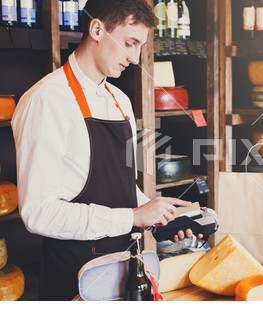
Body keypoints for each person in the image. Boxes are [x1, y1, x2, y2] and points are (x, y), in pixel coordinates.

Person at [11, 0, 200, 301]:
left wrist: (157, 214)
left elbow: (121, 186)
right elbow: (38, 213)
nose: (135, 58)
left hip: (125, 270)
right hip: (75, 280)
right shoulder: (45, 101)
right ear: (97, 29)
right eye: (129, 43)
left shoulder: (120, 100)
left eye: (140, 46)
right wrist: (133, 217)